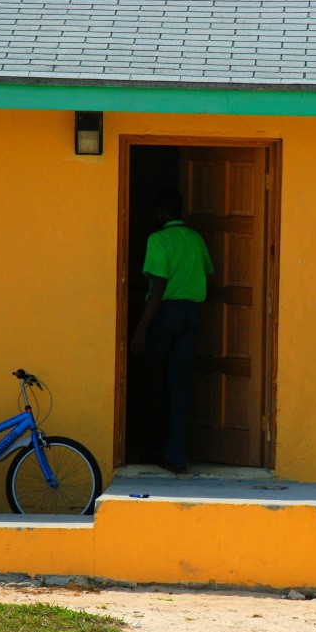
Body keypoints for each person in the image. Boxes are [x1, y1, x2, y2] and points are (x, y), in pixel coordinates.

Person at [131, 188, 213, 474]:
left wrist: (141, 331)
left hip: (166, 314)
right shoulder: (195, 239)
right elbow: (207, 271)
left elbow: (158, 288)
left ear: (160, 213)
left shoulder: (158, 239)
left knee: (155, 383)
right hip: (192, 314)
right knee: (180, 385)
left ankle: (155, 449)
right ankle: (177, 455)